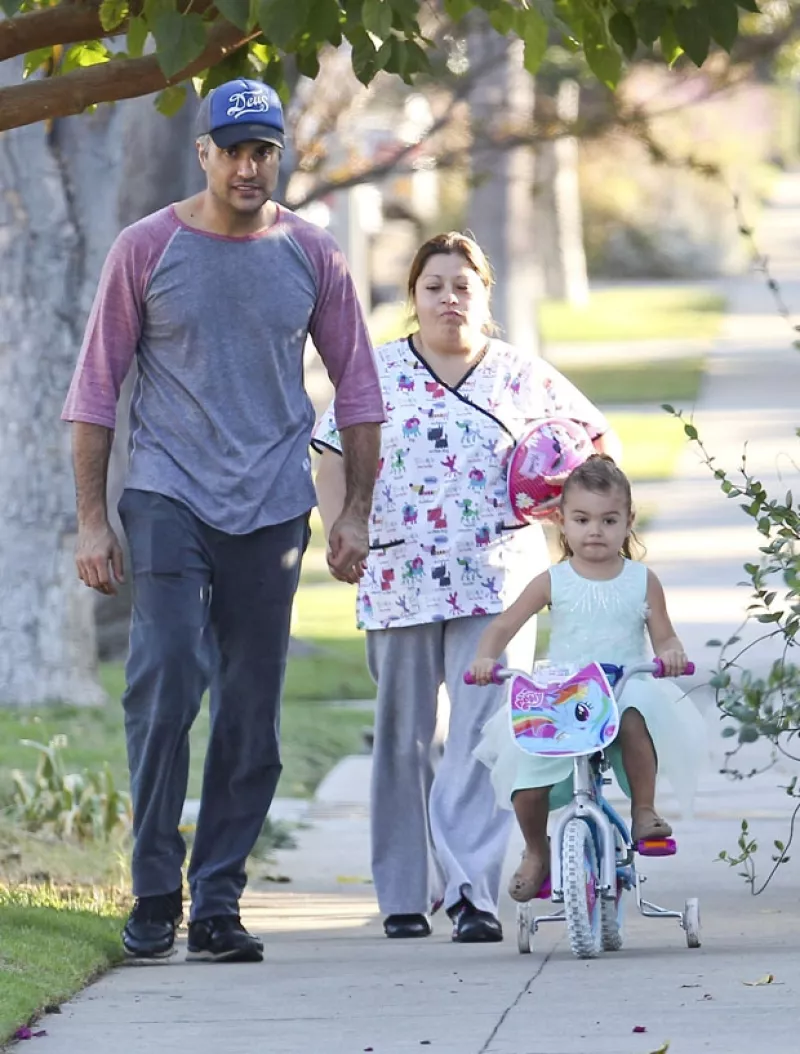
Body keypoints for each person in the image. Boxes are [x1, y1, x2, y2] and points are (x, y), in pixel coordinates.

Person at [61, 78, 384, 963]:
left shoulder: (312, 254)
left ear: (280, 154)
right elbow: (95, 393)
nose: (250, 165)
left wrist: (353, 510)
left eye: (265, 150)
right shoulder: (146, 248)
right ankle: (155, 889)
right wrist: (94, 521)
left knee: (252, 709)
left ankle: (217, 901)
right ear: (202, 152)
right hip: (167, 493)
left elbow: (358, 389)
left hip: (274, 506)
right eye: (234, 149)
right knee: (164, 679)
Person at [312, 232, 621, 942]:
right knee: (403, 738)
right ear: (413, 297)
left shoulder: (524, 377)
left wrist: (566, 508)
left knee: (484, 739)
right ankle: (401, 892)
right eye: (433, 285)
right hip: (396, 577)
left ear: (485, 296)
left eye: (463, 285)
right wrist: (342, 528)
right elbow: (329, 456)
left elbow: (599, 448)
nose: (449, 297)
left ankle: (471, 891)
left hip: (496, 586)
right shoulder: (374, 373)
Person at [469, 455, 707, 902]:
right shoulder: (552, 581)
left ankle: (643, 811)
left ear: (627, 521)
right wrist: (485, 657)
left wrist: (671, 652)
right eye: (581, 519)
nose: (594, 530)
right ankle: (536, 851)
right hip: (565, 690)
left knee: (636, 714)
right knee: (525, 770)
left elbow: (664, 635)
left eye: (608, 519)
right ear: (561, 521)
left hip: (623, 684)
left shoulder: (641, 580)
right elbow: (503, 626)